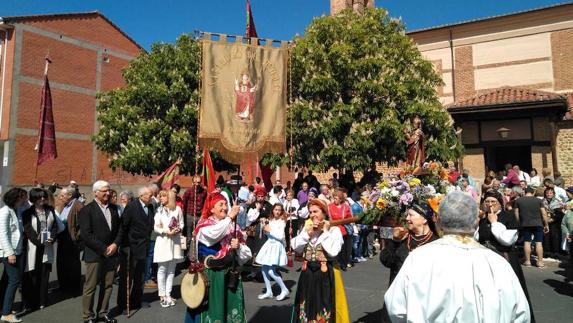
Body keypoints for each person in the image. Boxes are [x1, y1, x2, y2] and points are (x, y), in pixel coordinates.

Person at [384, 192, 530, 323]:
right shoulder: (499, 264)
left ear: (439, 222)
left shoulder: (418, 258)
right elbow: (521, 314)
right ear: (475, 222)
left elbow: (396, 308)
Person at [184, 191, 252, 322]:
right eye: (220, 204)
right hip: (211, 275)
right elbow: (214, 235)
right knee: (211, 311)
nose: (225, 208)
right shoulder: (204, 225)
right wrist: (230, 217)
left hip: (229, 274)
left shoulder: (233, 226)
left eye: (226, 204)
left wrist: (238, 247)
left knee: (229, 310)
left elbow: (246, 255)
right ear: (211, 209)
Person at [476, 192, 535, 322]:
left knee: (508, 293)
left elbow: (507, 240)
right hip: (485, 261)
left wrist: (494, 223)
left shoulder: (508, 217)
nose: (490, 205)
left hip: (504, 258)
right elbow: (477, 238)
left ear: (500, 203)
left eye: (493, 202)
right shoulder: (483, 219)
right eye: (487, 202)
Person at [290, 199, 349, 323]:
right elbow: (295, 246)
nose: (312, 215)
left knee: (324, 305)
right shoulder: (307, 228)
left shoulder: (334, 231)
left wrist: (324, 232)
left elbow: (333, 251)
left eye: (315, 211)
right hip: (307, 274)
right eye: (311, 212)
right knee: (305, 304)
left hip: (325, 274)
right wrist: (307, 234)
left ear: (324, 212)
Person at [79, 180, 122, 323]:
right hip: (95, 254)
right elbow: (86, 234)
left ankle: (103, 312)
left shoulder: (114, 209)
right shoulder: (87, 210)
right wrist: (103, 249)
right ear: (95, 192)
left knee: (108, 285)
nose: (108, 193)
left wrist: (115, 244)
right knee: (90, 287)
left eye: (109, 190)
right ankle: (88, 316)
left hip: (112, 254)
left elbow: (120, 230)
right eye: (104, 191)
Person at [379, 201, 438, 285]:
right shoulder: (402, 235)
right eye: (407, 215)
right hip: (398, 292)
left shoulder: (436, 242)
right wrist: (394, 241)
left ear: (424, 219)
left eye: (411, 215)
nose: (407, 218)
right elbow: (386, 260)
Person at [117, 186, 154, 312]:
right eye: (149, 194)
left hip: (144, 247)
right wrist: (124, 245)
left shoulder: (150, 207)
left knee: (140, 276)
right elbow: (123, 226)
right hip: (131, 247)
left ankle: (136, 300)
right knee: (127, 277)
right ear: (141, 195)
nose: (151, 196)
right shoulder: (132, 207)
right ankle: (123, 304)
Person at [21, 188, 58, 310]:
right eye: (39, 197)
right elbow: (28, 231)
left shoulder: (50, 210)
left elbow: (55, 227)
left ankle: (42, 300)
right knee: (32, 274)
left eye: (43, 196)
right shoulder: (27, 213)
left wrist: (51, 238)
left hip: (47, 247)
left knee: (44, 274)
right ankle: (30, 302)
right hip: (33, 248)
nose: (42, 199)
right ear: (33, 199)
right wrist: (39, 241)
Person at [0, 188, 28, 323]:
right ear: (16, 198)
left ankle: (3, 307)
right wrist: (10, 253)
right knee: (14, 280)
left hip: (18, 250)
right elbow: (3, 235)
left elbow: (28, 206)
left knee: (6, 280)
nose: (24, 200)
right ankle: (6, 313)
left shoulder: (17, 209)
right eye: (23, 197)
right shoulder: (5, 212)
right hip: (9, 252)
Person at [153, 190, 184, 308]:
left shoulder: (178, 209)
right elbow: (156, 227)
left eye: (163, 196)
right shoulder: (159, 210)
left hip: (175, 242)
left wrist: (178, 230)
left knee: (171, 270)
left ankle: (168, 294)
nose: (161, 198)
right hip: (163, 241)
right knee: (162, 269)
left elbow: (181, 223)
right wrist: (166, 231)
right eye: (160, 196)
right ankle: (162, 295)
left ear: (169, 197)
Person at [255, 204, 289, 301]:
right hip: (269, 245)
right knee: (264, 269)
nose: (277, 212)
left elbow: (280, 236)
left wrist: (270, 230)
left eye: (279, 210)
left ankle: (284, 289)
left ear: (281, 212)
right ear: (272, 211)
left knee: (271, 271)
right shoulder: (271, 220)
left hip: (276, 246)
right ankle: (269, 292)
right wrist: (264, 227)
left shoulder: (282, 222)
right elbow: (267, 234)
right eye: (275, 210)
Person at [55, 186, 83, 296]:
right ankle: (63, 286)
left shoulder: (78, 206)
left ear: (70, 195)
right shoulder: (64, 205)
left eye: (62, 195)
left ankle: (74, 288)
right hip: (62, 238)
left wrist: (76, 236)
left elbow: (83, 225)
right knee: (62, 263)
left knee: (73, 265)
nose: (60, 197)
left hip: (72, 240)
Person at [515, 187, 549, 268]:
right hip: (538, 223)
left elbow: (516, 213)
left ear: (525, 192)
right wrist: (546, 224)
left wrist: (519, 222)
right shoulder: (538, 200)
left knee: (527, 242)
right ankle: (540, 262)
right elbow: (544, 213)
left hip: (525, 224)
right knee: (539, 242)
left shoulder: (519, 200)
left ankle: (527, 261)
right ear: (533, 192)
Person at [328, 192, 353, 270]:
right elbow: (329, 218)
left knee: (344, 248)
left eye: (336, 198)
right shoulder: (330, 206)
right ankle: (336, 262)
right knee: (336, 247)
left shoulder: (346, 207)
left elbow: (350, 218)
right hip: (335, 229)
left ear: (340, 199)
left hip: (344, 229)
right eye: (333, 198)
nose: (334, 200)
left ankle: (344, 263)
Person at [542, 187, 565, 259]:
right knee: (546, 236)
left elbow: (559, 213)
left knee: (555, 236)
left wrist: (552, 219)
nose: (549, 194)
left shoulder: (557, 202)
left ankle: (556, 252)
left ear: (553, 194)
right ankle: (547, 251)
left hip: (555, 222)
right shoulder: (542, 201)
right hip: (545, 222)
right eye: (547, 193)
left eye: (550, 193)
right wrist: (546, 220)